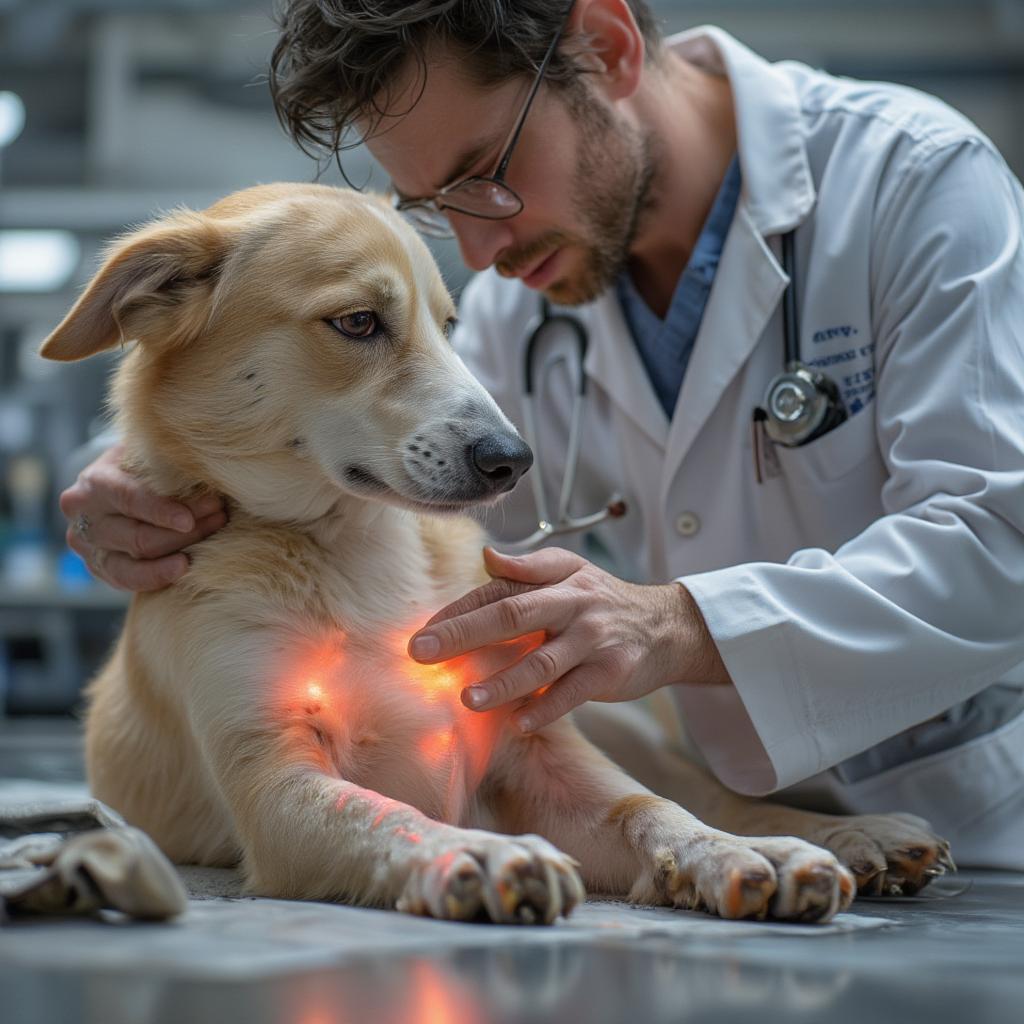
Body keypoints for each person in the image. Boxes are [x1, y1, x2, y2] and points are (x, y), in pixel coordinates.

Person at [61, 0, 1024, 868]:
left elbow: (1003, 543)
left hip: (977, 819)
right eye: (442, 208)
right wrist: (131, 478)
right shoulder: (530, 305)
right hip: (728, 817)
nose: (482, 255)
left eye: (486, 174)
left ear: (604, 48)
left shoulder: (916, 182)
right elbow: (372, 466)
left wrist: (677, 625)